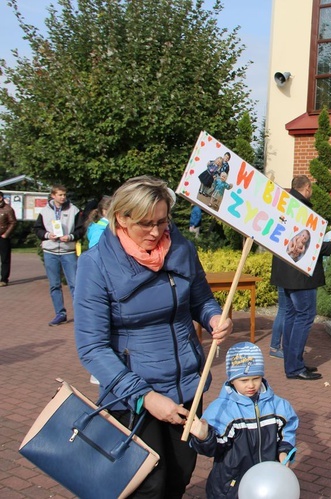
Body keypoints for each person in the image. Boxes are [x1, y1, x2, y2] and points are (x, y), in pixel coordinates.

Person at [74, 175, 233, 497]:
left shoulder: (182, 249)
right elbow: (92, 347)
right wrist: (145, 396)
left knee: (180, 474)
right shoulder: (95, 264)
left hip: (188, 385)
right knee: (146, 485)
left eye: (162, 221)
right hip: (132, 396)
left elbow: (200, 299)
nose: (156, 232)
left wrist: (214, 316)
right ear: (121, 218)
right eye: (146, 223)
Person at [189, 342, 298, 499]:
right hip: (231, 485)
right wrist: (204, 437)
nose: (251, 385)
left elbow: (287, 431)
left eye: (256, 378)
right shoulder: (222, 409)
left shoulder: (278, 405)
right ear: (232, 380)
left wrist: (285, 452)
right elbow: (212, 449)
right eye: (244, 380)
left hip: (268, 481)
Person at [270, 175, 331, 380]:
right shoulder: (304, 211)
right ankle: (295, 367)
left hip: (284, 272)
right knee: (305, 315)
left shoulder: (283, 206)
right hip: (301, 275)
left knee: (291, 316)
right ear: (307, 188)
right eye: (311, 189)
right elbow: (313, 246)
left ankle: (292, 364)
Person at [34, 185, 84, 326]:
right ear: (53, 196)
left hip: (68, 251)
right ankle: (60, 313)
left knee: (74, 284)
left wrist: (71, 236)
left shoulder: (74, 210)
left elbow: (81, 230)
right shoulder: (44, 211)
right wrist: (47, 235)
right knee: (54, 285)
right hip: (50, 252)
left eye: (64, 195)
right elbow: (37, 229)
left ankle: (80, 314)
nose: (63, 197)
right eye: (60, 195)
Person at [0, 191, 18, 287]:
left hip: (3, 236)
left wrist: (6, 234)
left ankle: (4, 279)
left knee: (5, 258)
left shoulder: (8, 209)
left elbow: (13, 222)